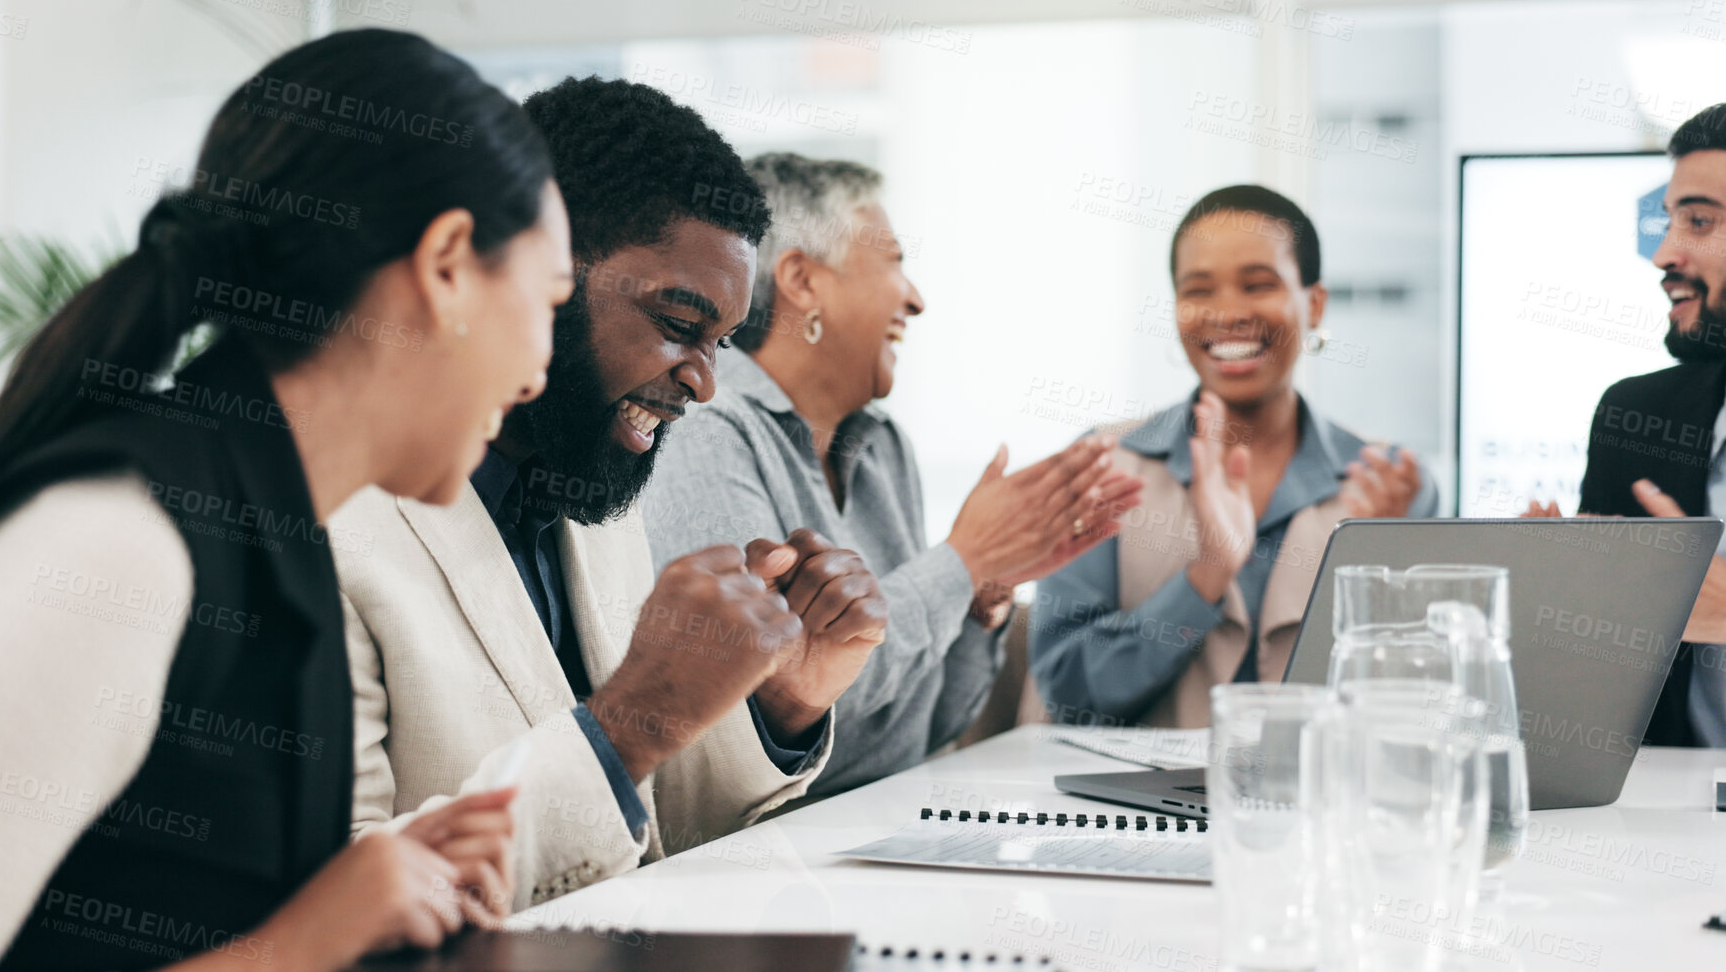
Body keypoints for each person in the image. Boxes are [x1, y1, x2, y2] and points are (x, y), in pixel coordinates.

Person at [0, 29, 568, 971]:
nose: (538, 373)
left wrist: (357, 893)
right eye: (550, 299)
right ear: (445, 264)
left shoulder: (270, 529)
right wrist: (303, 940)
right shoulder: (120, 550)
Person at [329, 79, 888, 909]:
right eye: (676, 322)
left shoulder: (595, 501)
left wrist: (783, 697)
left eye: (721, 341)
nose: (703, 383)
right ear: (533, 268)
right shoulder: (326, 518)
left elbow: (654, 834)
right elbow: (335, 907)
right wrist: (633, 717)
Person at [640, 153, 1142, 798]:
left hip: (885, 823)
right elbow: (760, 730)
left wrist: (974, 600)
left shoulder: (884, 446)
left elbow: (926, 729)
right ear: (802, 281)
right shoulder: (705, 429)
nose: (916, 298)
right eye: (894, 264)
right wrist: (962, 561)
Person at [1031, 185, 1436, 729]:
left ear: (1314, 304)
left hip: (1321, 807)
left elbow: (1419, 706)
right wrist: (1207, 575)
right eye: (1198, 289)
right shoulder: (1102, 464)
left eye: (1258, 284)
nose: (1227, 313)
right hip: (1142, 811)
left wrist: (1384, 578)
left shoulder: (1392, 484)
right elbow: (1069, 693)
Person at [1526, 103, 1726, 746]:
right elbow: (1588, 708)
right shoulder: (1637, 419)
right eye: (1669, 222)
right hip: (1666, 822)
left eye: (1698, 221)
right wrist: (1559, 604)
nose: (1664, 253)